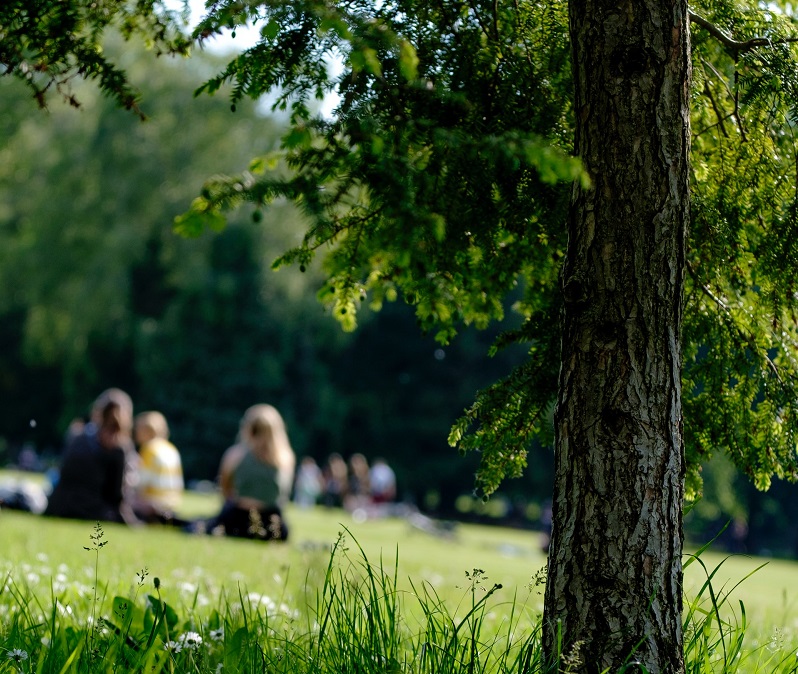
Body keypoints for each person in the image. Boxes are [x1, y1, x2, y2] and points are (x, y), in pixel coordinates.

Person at [197, 404, 295, 541]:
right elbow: (283, 497)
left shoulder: (235, 454)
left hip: (237, 519)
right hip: (271, 523)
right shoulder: (285, 458)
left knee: (200, 524)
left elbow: (225, 491)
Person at [45, 388, 140, 525]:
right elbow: (116, 496)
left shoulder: (77, 437)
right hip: (91, 510)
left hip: (58, 506)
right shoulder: (118, 448)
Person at [132, 411, 184, 523]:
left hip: (153, 503)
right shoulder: (171, 449)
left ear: (147, 430)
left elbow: (140, 484)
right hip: (172, 503)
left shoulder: (149, 449)